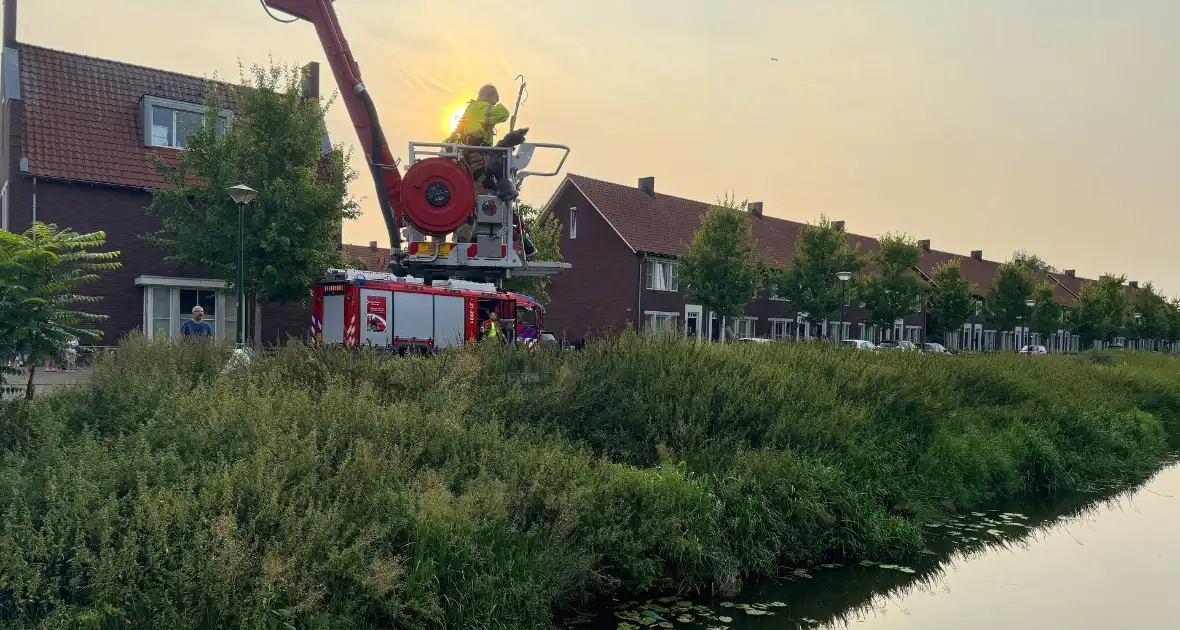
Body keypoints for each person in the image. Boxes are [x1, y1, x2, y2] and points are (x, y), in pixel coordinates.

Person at [446, 84, 519, 203]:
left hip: (471, 157)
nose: (493, 105)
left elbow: (456, 133)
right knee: (483, 190)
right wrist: (496, 105)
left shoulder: (470, 110)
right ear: (487, 96)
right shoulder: (480, 107)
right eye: (493, 102)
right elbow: (503, 113)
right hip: (479, 157)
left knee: (484, 186)